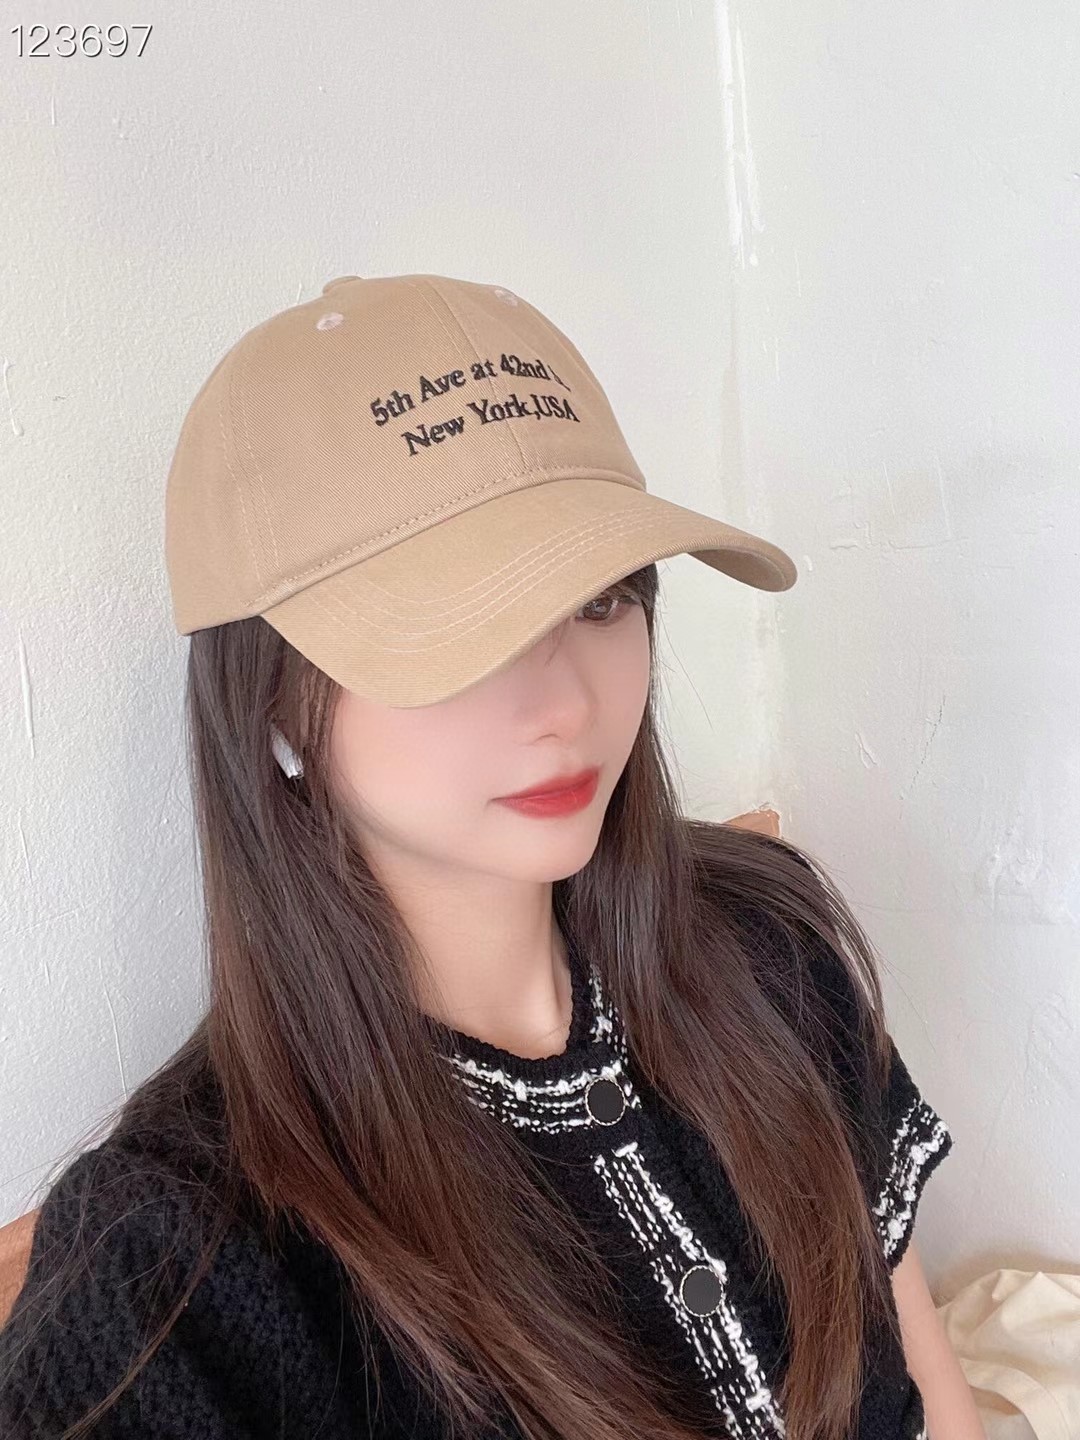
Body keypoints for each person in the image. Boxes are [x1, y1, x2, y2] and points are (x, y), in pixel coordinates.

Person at [0, 273, 972, 1440]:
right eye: (458, 627)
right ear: (272, 707)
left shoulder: (768, 942)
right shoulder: (173, 1269)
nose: (566, 704)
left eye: (601, 600)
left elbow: (927, 1383)